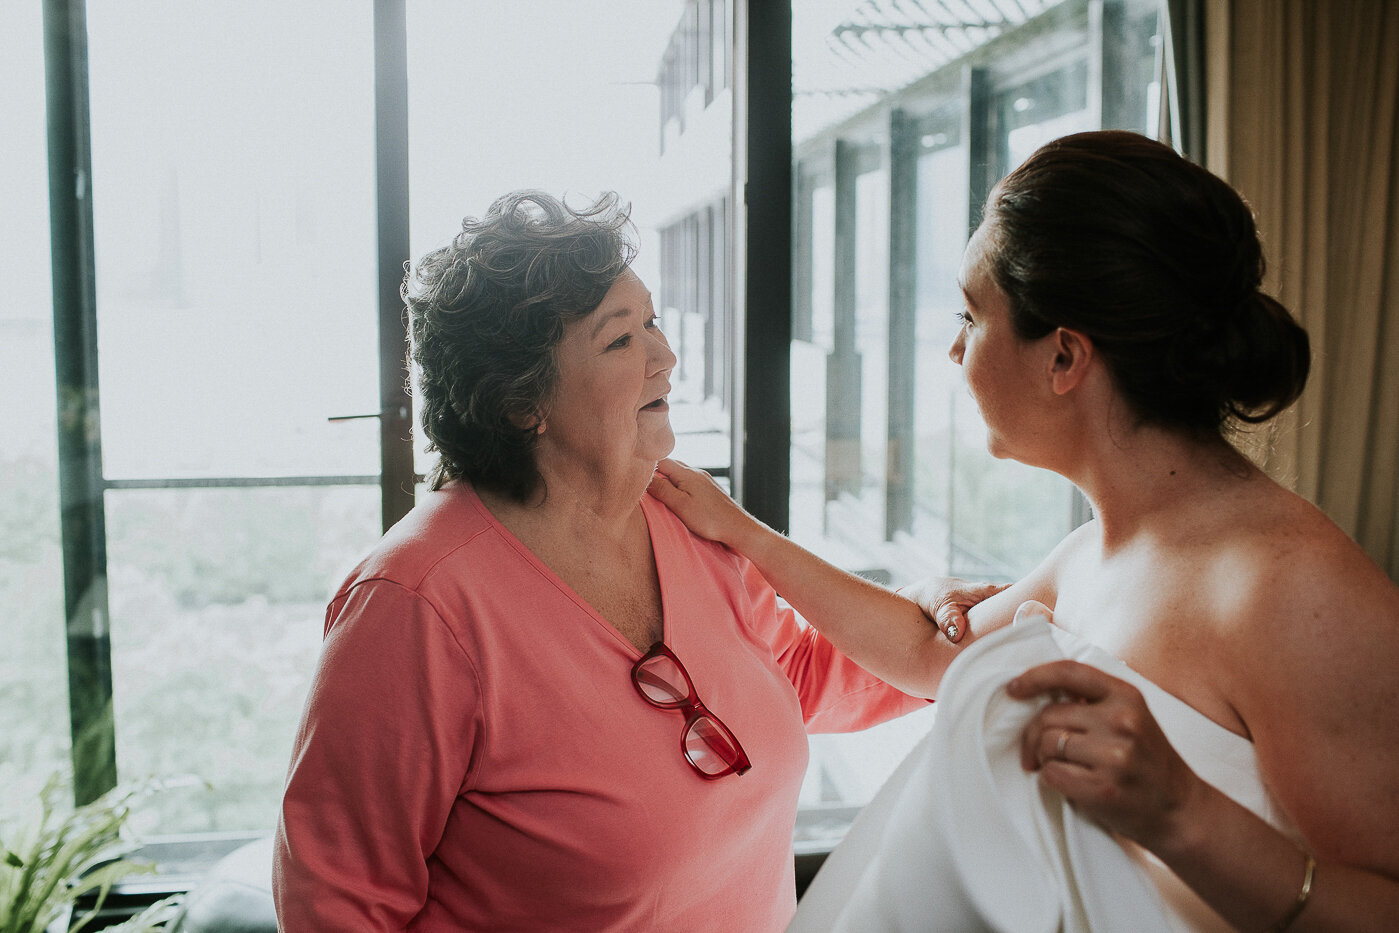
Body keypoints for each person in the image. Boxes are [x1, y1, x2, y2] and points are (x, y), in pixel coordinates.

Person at [649, 131, 1399, 930]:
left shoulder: (1296, 593)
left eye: (970, 315)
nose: (951, 347)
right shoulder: (1093, 551)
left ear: (1064, 356)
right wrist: (742, 533)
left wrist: (1182, 812)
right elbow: (925, 654)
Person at [271, 190, 999, 931]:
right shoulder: (413, 601)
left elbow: (794, 673)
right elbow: (338, 904)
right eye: (621, 340)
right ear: (523, 402)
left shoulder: (681, 514)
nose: (666, 356)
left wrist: (946, 623)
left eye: (652, 321)